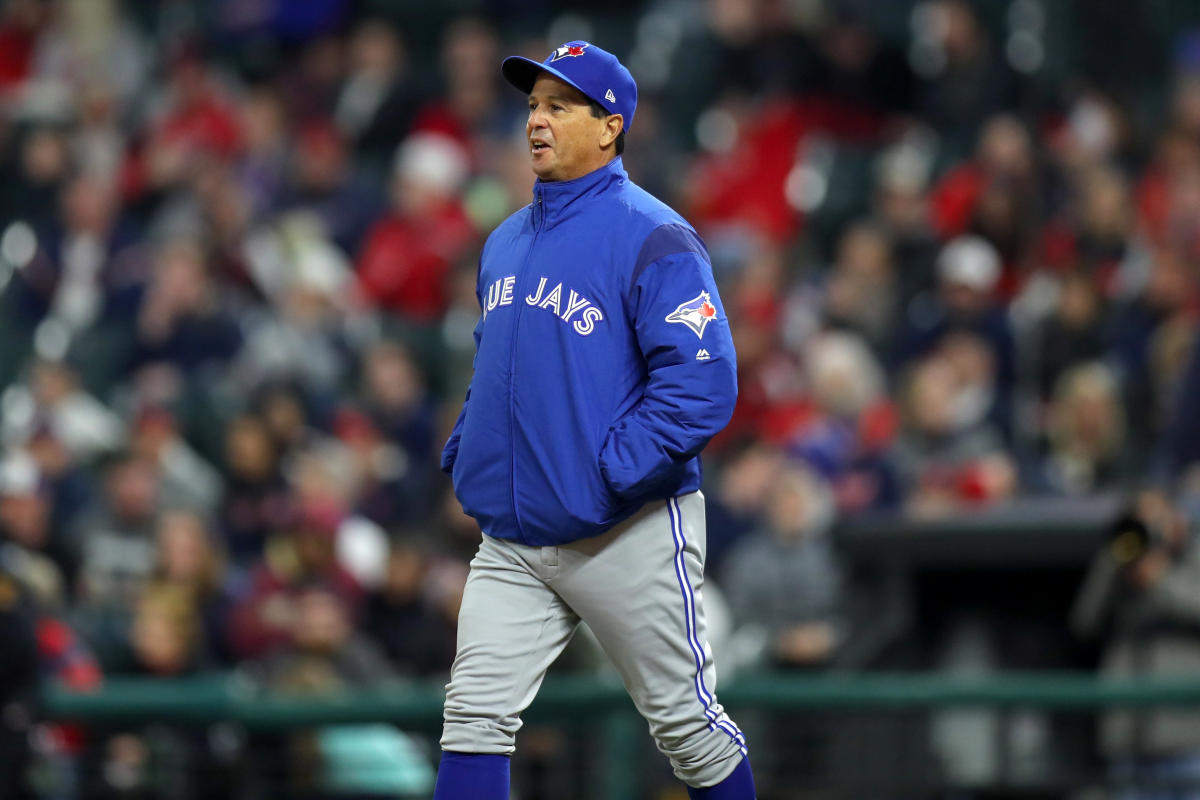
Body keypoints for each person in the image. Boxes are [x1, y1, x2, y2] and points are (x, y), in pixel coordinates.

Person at [435, 41, 756, 799]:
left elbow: (703, 383)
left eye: (558, 106)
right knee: (472, 720)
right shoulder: (504, 241)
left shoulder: (655, 235)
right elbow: (496, 365)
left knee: (688, 728)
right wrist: (471, 450)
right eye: (532, 106)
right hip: (515, 539)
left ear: (610, 126)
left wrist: (611, 473)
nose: (536, 122)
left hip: (625, 529)